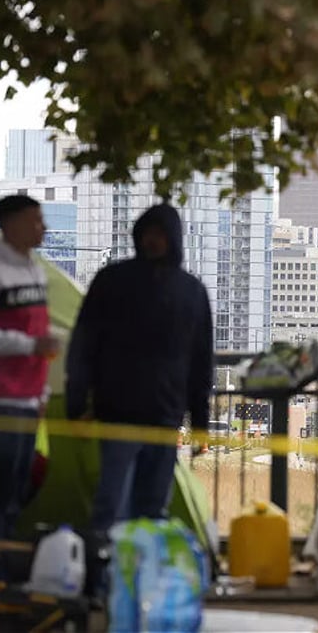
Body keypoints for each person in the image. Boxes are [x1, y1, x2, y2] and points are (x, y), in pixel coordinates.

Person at [66, 203, 213, 596]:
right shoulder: (113, 282)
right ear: (137, 236)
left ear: (174, 239)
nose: (153, 240)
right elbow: (84, 346)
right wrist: (76, 404)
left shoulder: (192, 293)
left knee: (151, 510)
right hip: (118, 414)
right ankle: (100, 587)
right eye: (147, 232)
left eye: (160, 233)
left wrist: (201, 423)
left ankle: (138, 587)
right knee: (111, 507)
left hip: (165, 419)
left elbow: (202, 362)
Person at [0, 195, 60, 611]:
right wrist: (26, 345)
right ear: (10, 224)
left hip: (25, 398)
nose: (42, 228)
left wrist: (41, 394)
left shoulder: (34, 272)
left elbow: (39, 333)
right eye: (34, 221)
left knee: (18, 488)